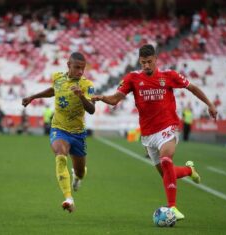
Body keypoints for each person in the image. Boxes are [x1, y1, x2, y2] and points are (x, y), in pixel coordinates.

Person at [92, 44, 217, 220]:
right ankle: (189, 170)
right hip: (148, 134)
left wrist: (210, 104)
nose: (147, 66)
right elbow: (115, 99)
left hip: (168, 127)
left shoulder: (169, 75)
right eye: (143, 63)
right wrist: (102, 97)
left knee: (166, 159)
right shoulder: (132, 78)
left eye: (149, 62)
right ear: (139, 61)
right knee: (167, 173)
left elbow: (193, 88)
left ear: (156, 59)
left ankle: (172, 208)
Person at [22, 52, 95, 213]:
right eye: (77, 67)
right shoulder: (57, 77)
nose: (80, 72)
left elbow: (92, 110)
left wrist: (81, 96)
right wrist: (33, 97)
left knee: (81, 172)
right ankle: (68, 198)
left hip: (78, 133)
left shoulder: (87, 84)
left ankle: (77, 177)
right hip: (59, 129)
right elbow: (53, 90)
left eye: (82, 68)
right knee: (60, 155)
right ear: (68, 65)